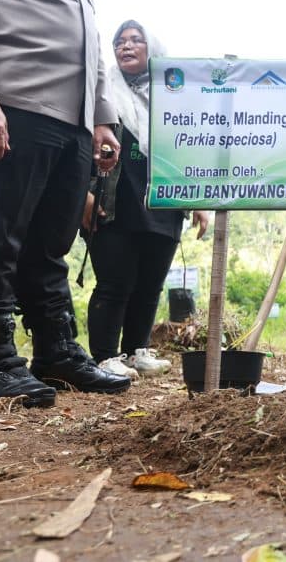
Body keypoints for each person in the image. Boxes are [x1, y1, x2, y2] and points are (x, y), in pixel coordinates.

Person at [0, 0, 132, 408]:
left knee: (50, 247)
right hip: (14, 103)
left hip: (75, 122)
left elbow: (91, 40)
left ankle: (56, 351)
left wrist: (102, 116)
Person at [82, 20, 209, 379]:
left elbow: (188, 148)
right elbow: (79, 145)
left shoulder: (174, 96)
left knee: (151, 282)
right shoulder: (99, 90)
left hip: (163, 202)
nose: (126, 46)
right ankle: (106, 357)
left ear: (152, 48)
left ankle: (138, 350)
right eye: (119, 41)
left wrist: (197, 199)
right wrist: (83, 197)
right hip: (113, 199)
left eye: (136, 40)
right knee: (114, 280)